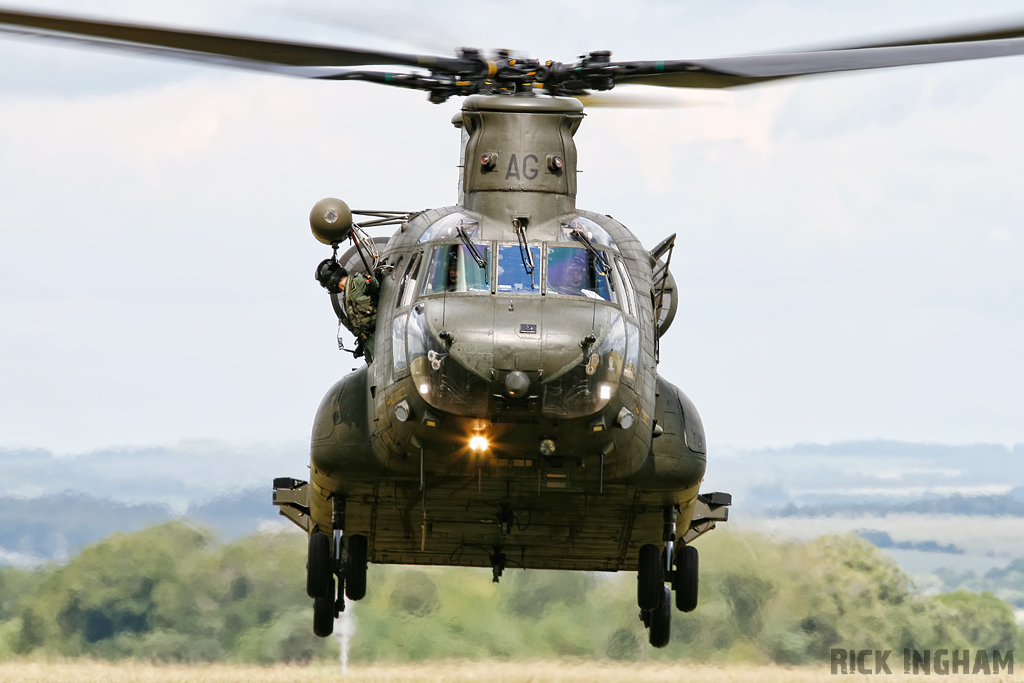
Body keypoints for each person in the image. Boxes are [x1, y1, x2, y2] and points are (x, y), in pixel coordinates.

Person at [315, 260, 379, 363]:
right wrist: (361, 345)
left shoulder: (358, 282)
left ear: (331, 280)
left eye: (326, 285)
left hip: (379, 337)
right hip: (369, 344)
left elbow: (379, 287)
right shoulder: (347, 298)